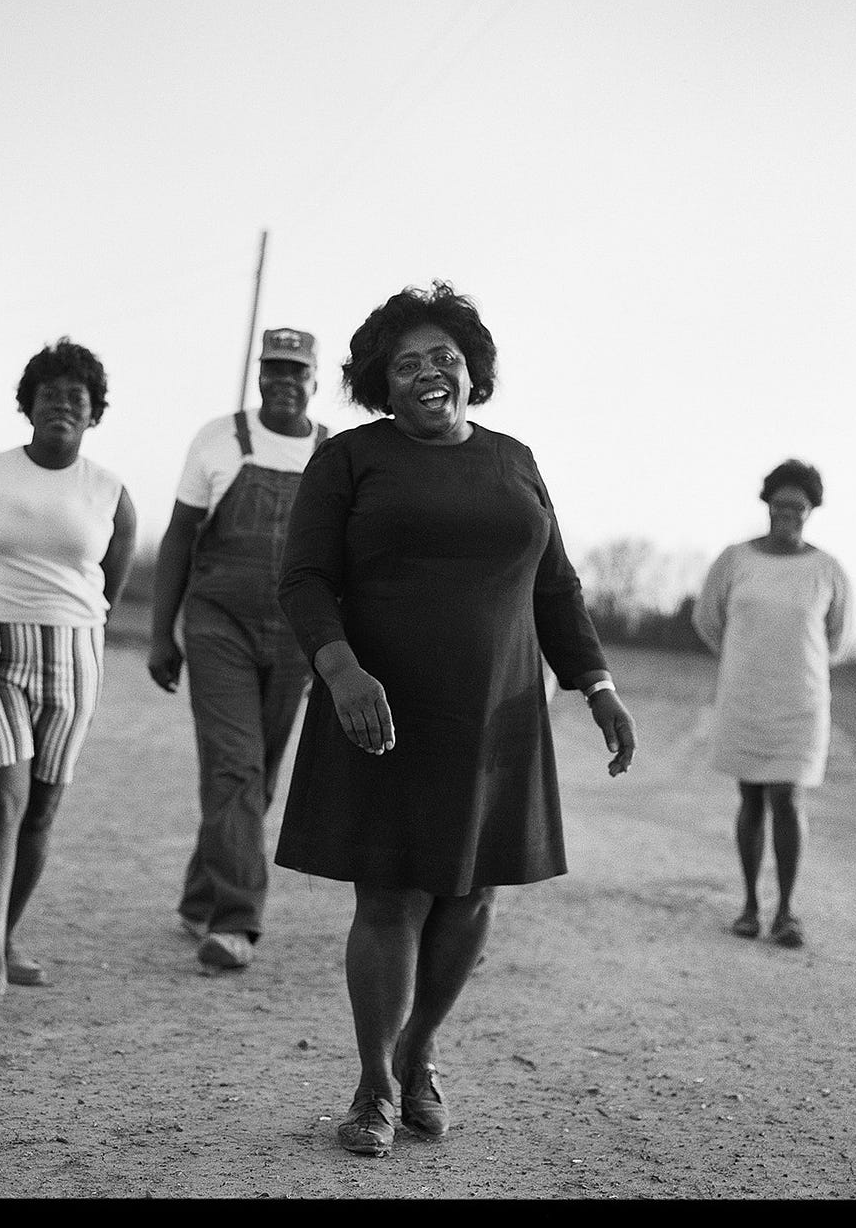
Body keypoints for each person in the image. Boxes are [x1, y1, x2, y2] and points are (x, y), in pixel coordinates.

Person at [273, 280, 637, 1158]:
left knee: (471, 893)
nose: (432, 372)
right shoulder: (352, 460)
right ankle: (373, 1085)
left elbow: (556, 586)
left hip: (496, 712)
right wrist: (341, 670)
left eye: (446, 356)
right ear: (379, 384)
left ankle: (419, 1048)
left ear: (473, 369)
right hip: (382, 707)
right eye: (408, 363)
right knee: (392, 892)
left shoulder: (515, 459)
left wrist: (594, 682)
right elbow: (304, 580)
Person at [0, 338, 138, 1007]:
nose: (63, 404)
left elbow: (113, 572)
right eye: (51, 394)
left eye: (77, 397)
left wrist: (85, 618)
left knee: (41, 808)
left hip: (74, 653)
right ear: (28, 405)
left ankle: (3, 937)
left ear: (94, 414)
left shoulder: (109, 489)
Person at [147, 326, 328, 971]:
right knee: (235, 769)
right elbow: (178, 537)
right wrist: (160, 630)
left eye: (295, 371)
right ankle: (235, 921)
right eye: (272, 370)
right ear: (259, 374)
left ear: (315, 378)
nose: (283, 382)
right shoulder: (218, 438)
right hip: (218, 623)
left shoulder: (333, 454)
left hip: (296, 635)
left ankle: (201, 894)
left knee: (258, 780)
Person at [691, 459, 852, 951]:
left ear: (811, 511)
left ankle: (785, 911)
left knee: (788, 797)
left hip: (800, 703)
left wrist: (797, 667)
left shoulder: (827, 570)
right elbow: (708, 619)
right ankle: (748, 906)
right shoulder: (735, 560)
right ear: (767, 505)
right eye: (780, 505)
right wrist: (743, 659)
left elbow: (837, 639)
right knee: (752, 799)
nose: (788, 514)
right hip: (745, 698)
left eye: (798, 508)